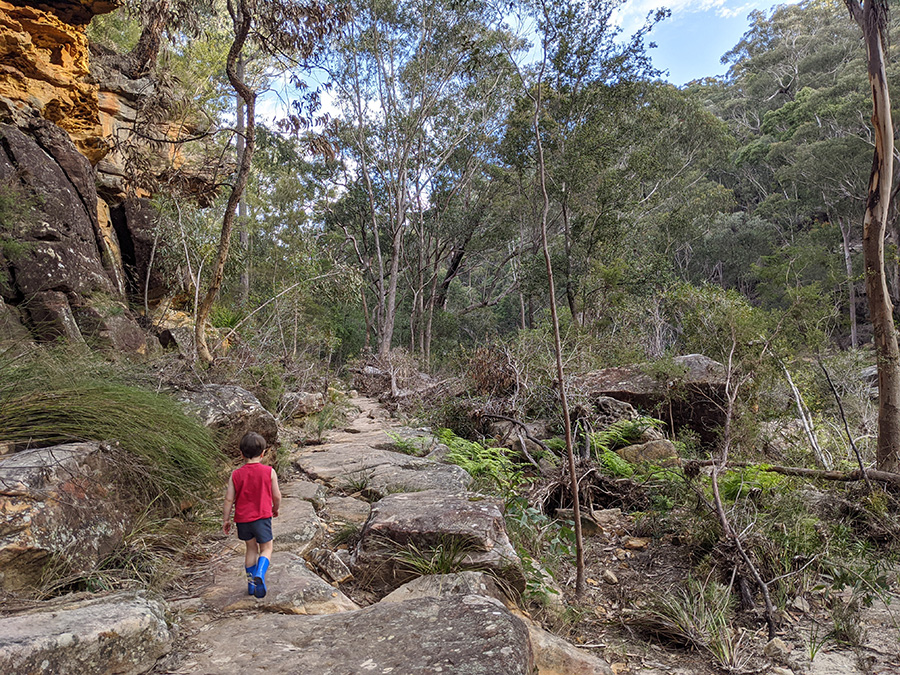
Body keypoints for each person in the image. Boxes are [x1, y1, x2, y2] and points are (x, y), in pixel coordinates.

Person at [222, 431, 281, 598]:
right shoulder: (269, 472)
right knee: (267, 548)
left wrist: (226, 519)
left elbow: (228, 500)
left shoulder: (235, 475)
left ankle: (251, 585)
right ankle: (260, 574)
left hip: (243, 520)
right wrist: (275, 508)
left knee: (250, 549)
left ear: (241, 454)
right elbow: (277, 495)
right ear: (262, 454)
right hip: (262, 517)